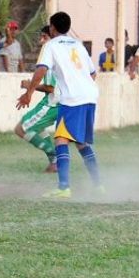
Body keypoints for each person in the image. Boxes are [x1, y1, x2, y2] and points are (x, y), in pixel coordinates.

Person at [17, 12, 101, 199]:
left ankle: (64, 187)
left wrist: (29, 92)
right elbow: (92, 73)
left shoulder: (51, 45)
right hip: (90, 95)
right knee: (80, 142)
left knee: (61, 139)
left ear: (53, 27)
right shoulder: (78, 44)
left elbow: (41, 70)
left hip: (72, 99)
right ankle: (98, 185)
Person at [13, 26, 58, 173]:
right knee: (40, 128)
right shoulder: (61, 55)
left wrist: (30, 86)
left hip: (52, 103)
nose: (41, 41)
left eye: (44, 37)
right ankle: (54, 162)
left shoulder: (50, 58)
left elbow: (51, 88)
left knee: (20, 129)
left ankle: (55, 156)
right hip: (59, 102)